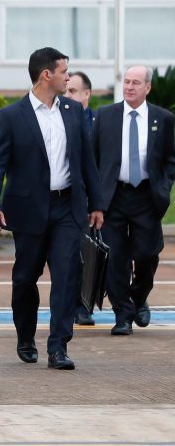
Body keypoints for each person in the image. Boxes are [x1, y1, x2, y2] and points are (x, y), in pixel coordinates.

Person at [0, 47, 104, 370]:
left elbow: (86, 162)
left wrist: (97, 204)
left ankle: (58, 347)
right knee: (25, 278)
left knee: (67, 276)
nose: (69, 76)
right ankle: (25, 336)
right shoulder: (11, 116)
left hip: (68, 208)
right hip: (28, 211)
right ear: (46, 75)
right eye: (64, 71)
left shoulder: (73, 110)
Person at [92, 66, 175, 336]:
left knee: (147, 254)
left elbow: (170, 157)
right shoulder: (105, 115)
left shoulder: (163, 119)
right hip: (113, 196)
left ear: (147, 87)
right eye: (126, 82)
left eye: (136, 83)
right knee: (115, 257)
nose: (129, 86)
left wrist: (164, 184)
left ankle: (139, 298)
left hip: (146, 196)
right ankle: (123, 315)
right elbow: (92, 158)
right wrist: (96, 200)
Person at [65, 71, 97, 326]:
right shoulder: (61, 119)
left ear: (87, 94)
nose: (68, 96)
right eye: (66, 91)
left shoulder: (101, 121)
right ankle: (77, 304)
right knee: (70, 254)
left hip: (96, 200)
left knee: (94, 254)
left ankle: (86, 302)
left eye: (74, 91)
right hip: (69, 199)